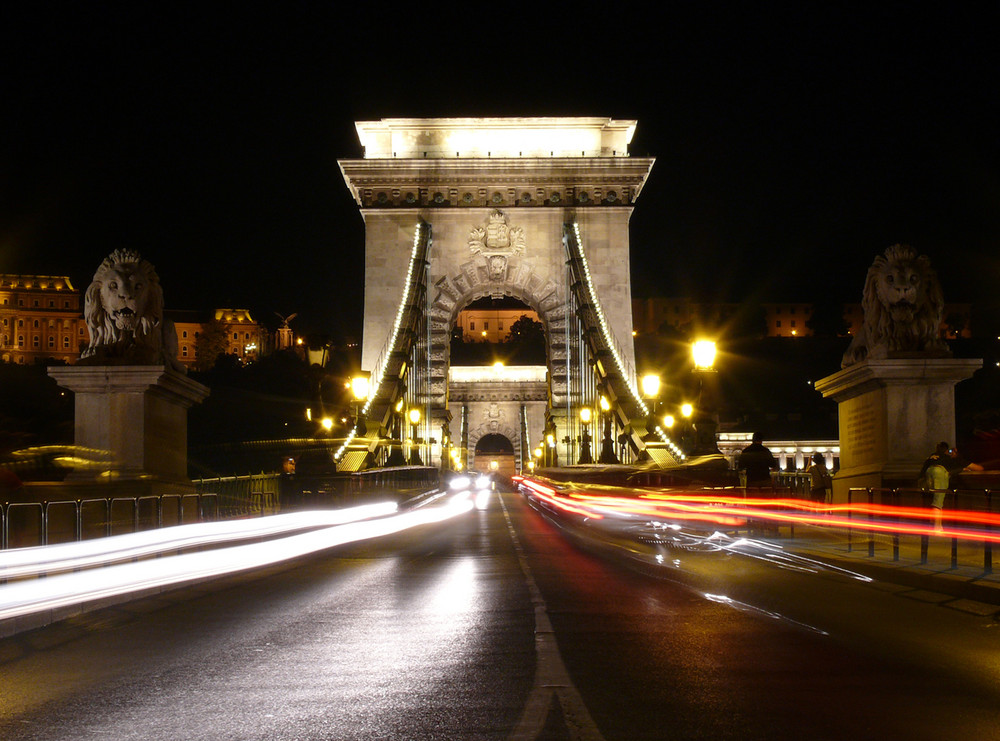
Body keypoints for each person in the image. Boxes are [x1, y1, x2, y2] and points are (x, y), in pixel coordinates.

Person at [919, 441, 983, 510]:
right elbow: (979, 468)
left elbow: (922, 473)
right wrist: (962, 467)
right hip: (939, 475)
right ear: (946, 451)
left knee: (930, 502)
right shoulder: (951, 459)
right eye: (950, 450)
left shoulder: (930, 458)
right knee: (937, 503)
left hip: (926, 479)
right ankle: (936, 518)